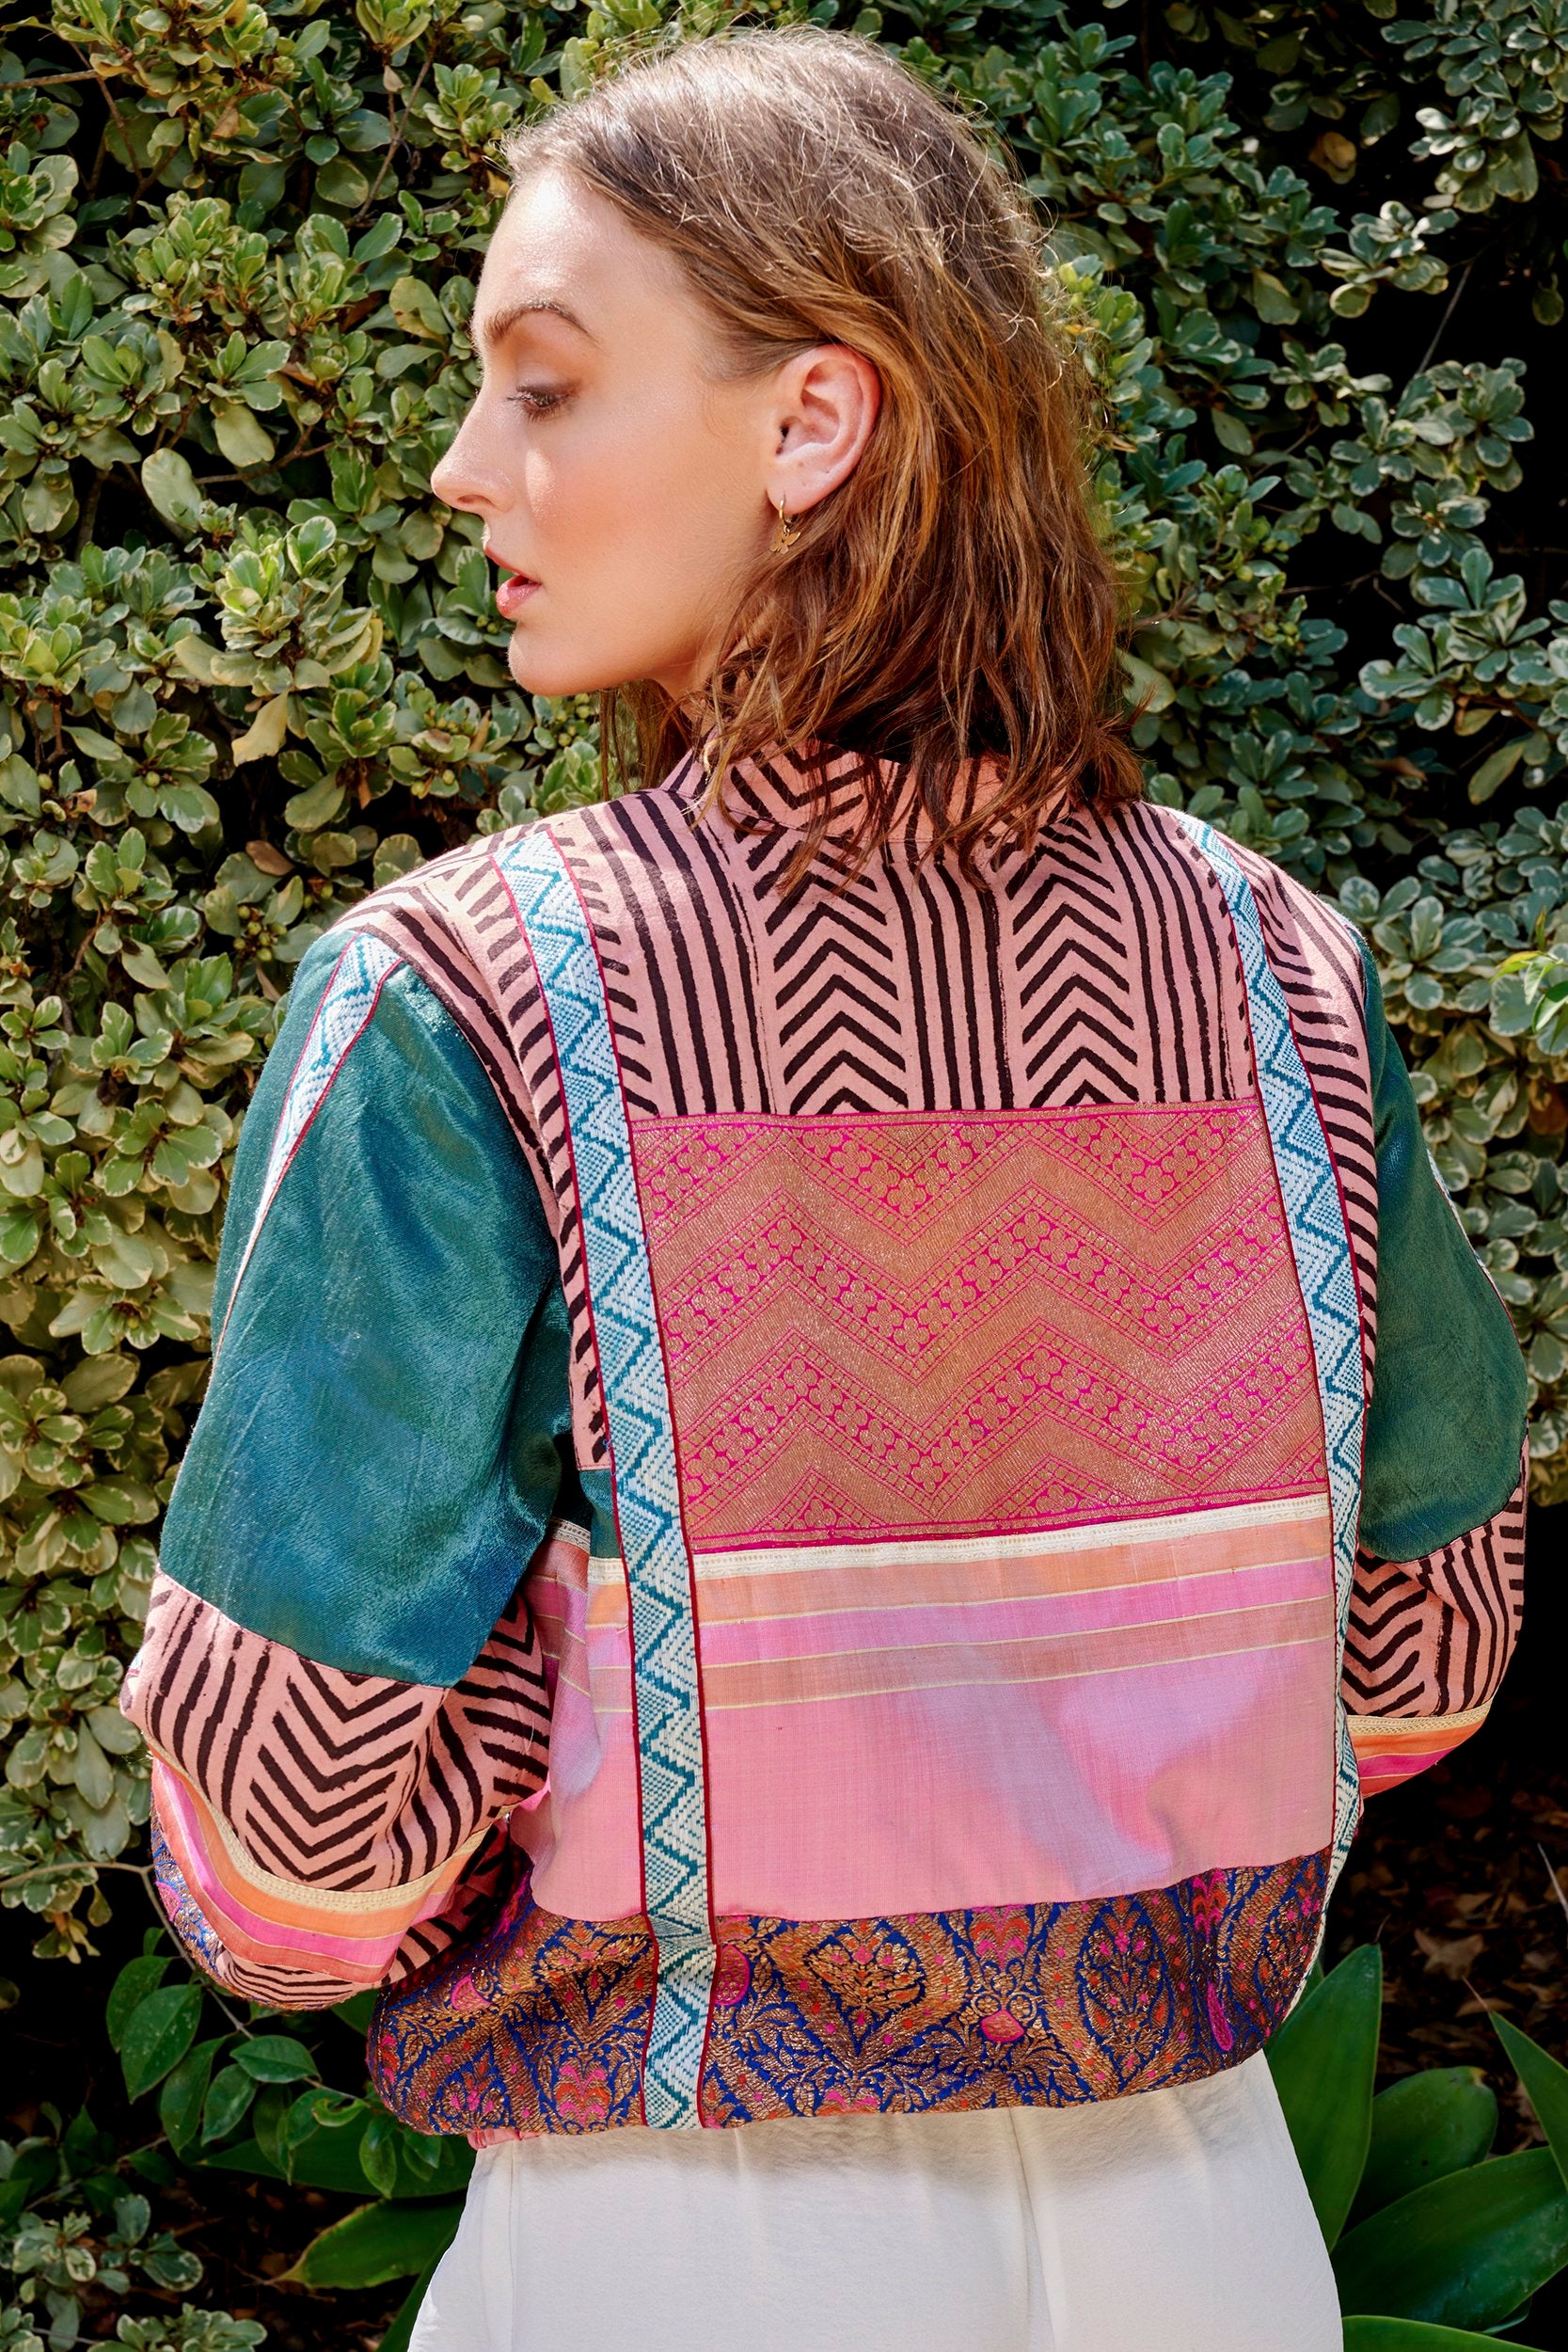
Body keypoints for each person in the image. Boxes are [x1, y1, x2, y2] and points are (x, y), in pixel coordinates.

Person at [121, 28, 1529, 2351]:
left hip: (683, 2247)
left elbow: (296, 1831)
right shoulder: (1284, 972)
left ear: (813, 420)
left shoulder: (469, 1003)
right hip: (1202, 2221)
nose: (473, 468)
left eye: (549, 386)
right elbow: (1429, 1643)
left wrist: (571, 1773)